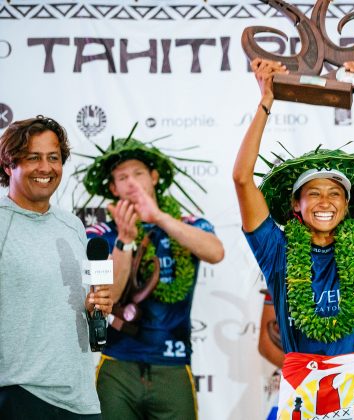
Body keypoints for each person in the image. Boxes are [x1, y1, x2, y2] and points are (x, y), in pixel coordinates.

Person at [233, 56, 354, 419]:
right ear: (296, 206)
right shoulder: (277, 250)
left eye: (335, 193)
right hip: (301, 383)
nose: (325, 201)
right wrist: (266, 100)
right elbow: (241, 179)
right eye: (313, 193)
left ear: (347, 206)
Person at [79, 129, 224, 419]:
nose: (132, 183)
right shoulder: (100, 233)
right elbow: (110, 295)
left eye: (138, 173)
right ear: (113, 189)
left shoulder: (188, 223)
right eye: (122, 178)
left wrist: (158, 217)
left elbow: (215, 252)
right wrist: (124, 240)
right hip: (118, 364)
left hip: (172, 364)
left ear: (154, 177)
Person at [0, 116, 112, 419]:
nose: (45, 168)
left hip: (81, 399)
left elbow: (74, 306)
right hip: (19, 394)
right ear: (9, 164)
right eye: (33, 158)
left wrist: (95, 308)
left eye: (53, 157)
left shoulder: (72, 225)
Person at [259, 277, 354, 420]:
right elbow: (265, 342)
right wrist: (306, 374)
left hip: (351, 389)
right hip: (297, 390)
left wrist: (341, 376)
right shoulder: (283, 273)